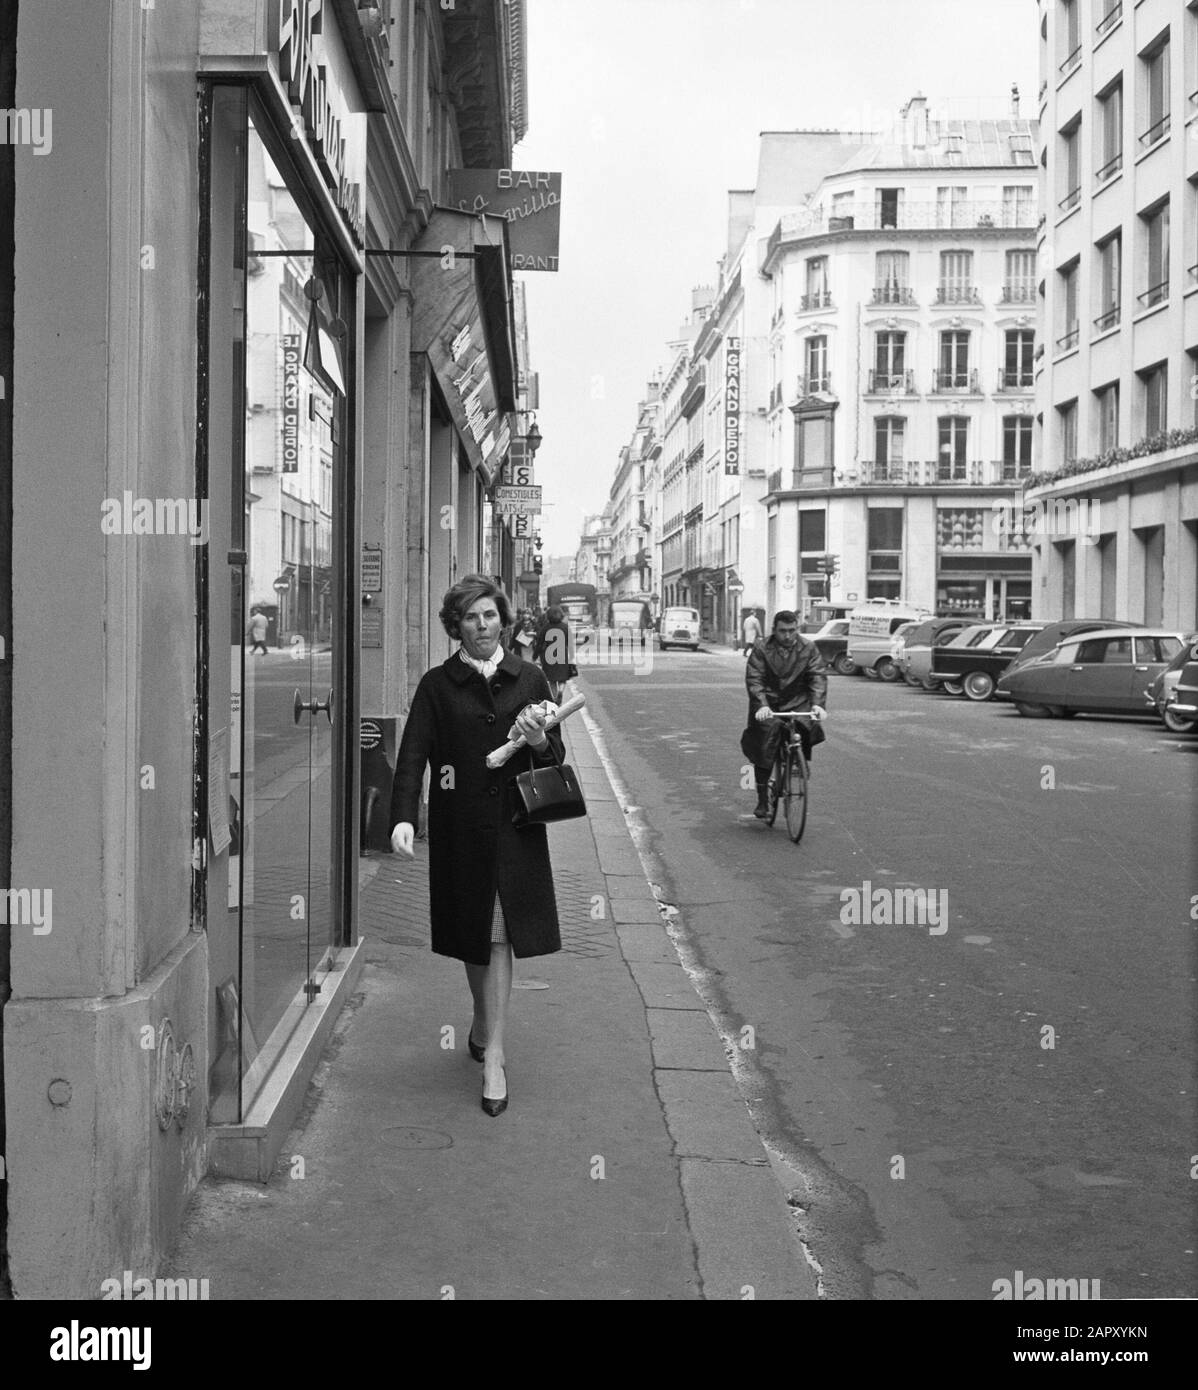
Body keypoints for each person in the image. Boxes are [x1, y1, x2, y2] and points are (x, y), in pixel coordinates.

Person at [389, 575, 564, 1117]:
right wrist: (401, 818)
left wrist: (538, 738)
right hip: (460, 824)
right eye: (471, 618)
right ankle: (482, 1015)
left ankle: (495, 1056)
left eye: (490, 615)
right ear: (455, 626)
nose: (483, 625)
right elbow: (414, 751)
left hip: (514, 826)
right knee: (472, 935)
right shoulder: (438, 685)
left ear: (503, 620)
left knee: (498, 936)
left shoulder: (531, 677)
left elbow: (555, 756)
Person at [741, 610, 828, 819]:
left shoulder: (808, 647)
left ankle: (799, 757)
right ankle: (763, 799)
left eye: (792, 631)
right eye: (783, 631)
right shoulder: (762, 648)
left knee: (807, 724)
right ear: (774, 630)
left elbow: (817, 676)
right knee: (764, 746)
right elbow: (755, 679)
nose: (788, 636)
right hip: (768, 704)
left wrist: (817, 704)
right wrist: (761, 704)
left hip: (798, 700)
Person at [533, 603, 577, 703]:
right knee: (562, 679)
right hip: (562, 655)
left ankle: (555, 696)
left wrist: (535, 656)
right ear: (561, 614)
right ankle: (561, 691)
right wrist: (572, 657)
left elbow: (539, 644)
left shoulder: (545, 628)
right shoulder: (565, 627)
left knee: (552, 680)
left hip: (548, 657)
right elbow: (570, 643)